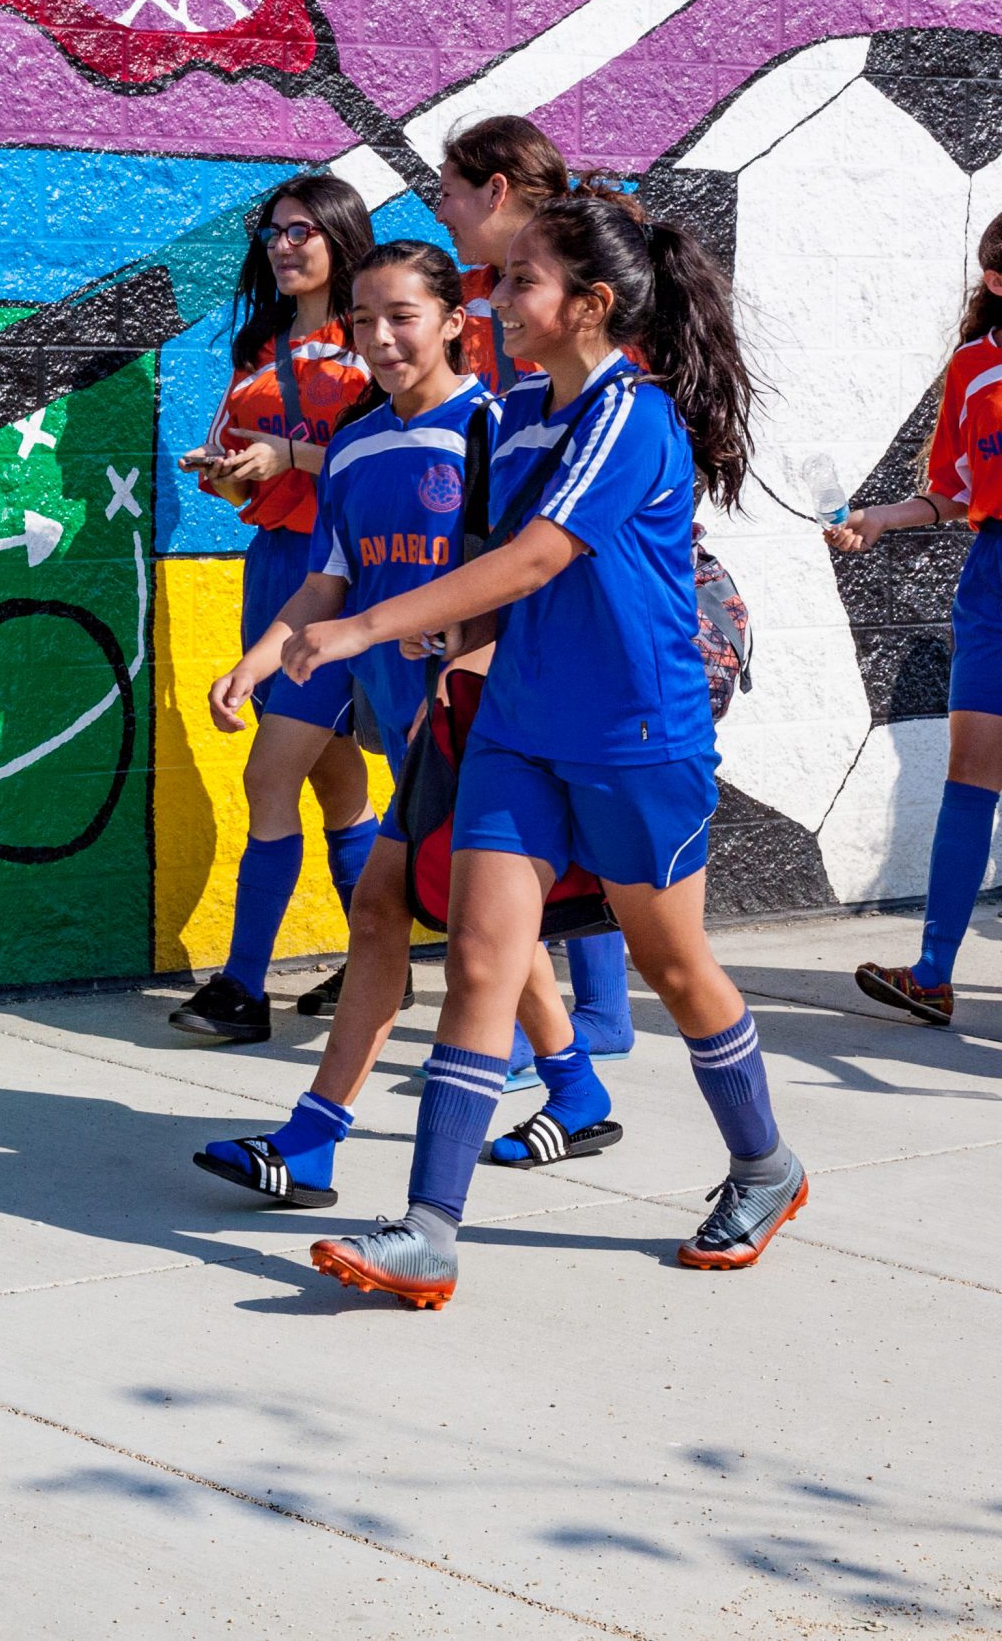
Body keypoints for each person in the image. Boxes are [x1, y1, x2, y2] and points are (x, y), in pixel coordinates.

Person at [282, 190, 807, 1306]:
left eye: (521, 280)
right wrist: (437, 667)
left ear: (592, 305)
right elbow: (485, 570)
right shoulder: (512, 412)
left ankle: (765, 1162)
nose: (497, 297)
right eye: (499, 277)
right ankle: (427, 1230)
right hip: (516, 729)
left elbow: (532, 558)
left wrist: (363, 625)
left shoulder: (630, 414)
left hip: (633, 734)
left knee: (673, 966)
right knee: (478, 960)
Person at [193, 240, 618, 1209]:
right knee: (471, 920)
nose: (381, 338)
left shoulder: (496, 429)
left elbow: (523, 581)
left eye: (403, 316)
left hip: (485, 723)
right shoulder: (352, 444)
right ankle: (574, 1085)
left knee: (390, 909)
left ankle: (312, 1139)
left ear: (452, 323)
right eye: (365, 320)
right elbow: (325, 579)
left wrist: (461, 672)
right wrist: (257, 660)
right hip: (407, 715)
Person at [437, 114, 636, 1064]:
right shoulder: (503, 301)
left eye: (450, 188)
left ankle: (587, 1025)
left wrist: (475, 618)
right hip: (525, 572)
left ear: (499, 193)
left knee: (570, 814)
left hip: (578, 592)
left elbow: (569, 509)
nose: (440, 206)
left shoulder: (569, 310)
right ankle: (569, 1028)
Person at [168, 173, 381, 1044]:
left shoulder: (372, 341)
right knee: (335, 780)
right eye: (273, 233)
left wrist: (288, 454)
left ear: (340, 237)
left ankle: (243, 988)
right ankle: (381, 966)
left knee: (270, 774)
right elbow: (251, 469)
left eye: (303, 231)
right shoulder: (260, 343)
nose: (285, 246)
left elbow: (390, 462)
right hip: (275, 566)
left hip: (346, 575)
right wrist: (227, 475)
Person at [829, 210, 1002, 1026]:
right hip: (993, 578)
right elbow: (955, 489)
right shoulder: (973, 368)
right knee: (971, 774)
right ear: (997, 280)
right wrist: (881, 518)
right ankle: (933, 972)